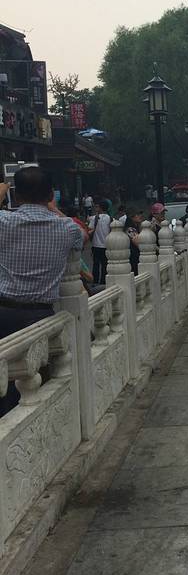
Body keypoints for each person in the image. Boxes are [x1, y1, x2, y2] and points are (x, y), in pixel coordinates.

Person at [0, 167, 84, 413]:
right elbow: (83, 236)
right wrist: (54, 209)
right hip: (41, 315)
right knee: (36, 379)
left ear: (17, 195)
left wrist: (3, 190)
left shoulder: (4, 222)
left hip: (5, 313)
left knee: (5, 380)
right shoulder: (67, 228)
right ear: (50, 195)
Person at [88, 200, 111, 285]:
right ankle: (103, 281)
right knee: (105, 264)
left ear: (100, 208)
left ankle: (95, 281)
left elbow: (90, 230)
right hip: (106, 245)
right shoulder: (110, 218)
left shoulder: (94, 218)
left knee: (96, 264)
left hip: (96, 245)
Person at [124, 209, 143, 275]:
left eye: (140, 214)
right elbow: (138, 243)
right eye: (137, 215)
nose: (140, 216)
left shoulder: (137, 227)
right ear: (131, 217)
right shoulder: (130, 229)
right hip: (133, 256)